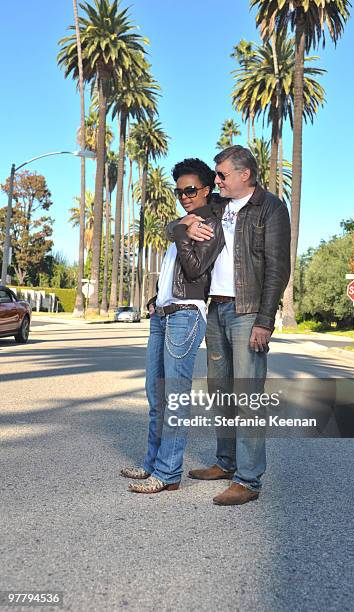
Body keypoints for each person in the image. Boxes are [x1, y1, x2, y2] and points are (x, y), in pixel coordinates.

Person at [183, 145, 291, 505]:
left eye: (222, 175)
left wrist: (265, 321)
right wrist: (182, 223)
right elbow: (177, 223)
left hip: (248, 312)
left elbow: (278, 268)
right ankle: (226, 463)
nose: (216, 181)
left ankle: (249, 480)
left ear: (244, 174)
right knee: (220, 391)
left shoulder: (270, 208)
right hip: (217, 309)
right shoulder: (218, 206)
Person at [120, 158, 225, 494]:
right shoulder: (183, 222)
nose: (184, 196)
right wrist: (155, 300)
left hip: (185, 315)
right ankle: (152, 464)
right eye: (179, 191)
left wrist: (180, 230)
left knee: (175, 398)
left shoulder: (209, 225)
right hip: (164, 315)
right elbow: (171, 262)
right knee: (157, 397)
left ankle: (168, 473)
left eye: (191, 190)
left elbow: (195, 271)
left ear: (207, 190)